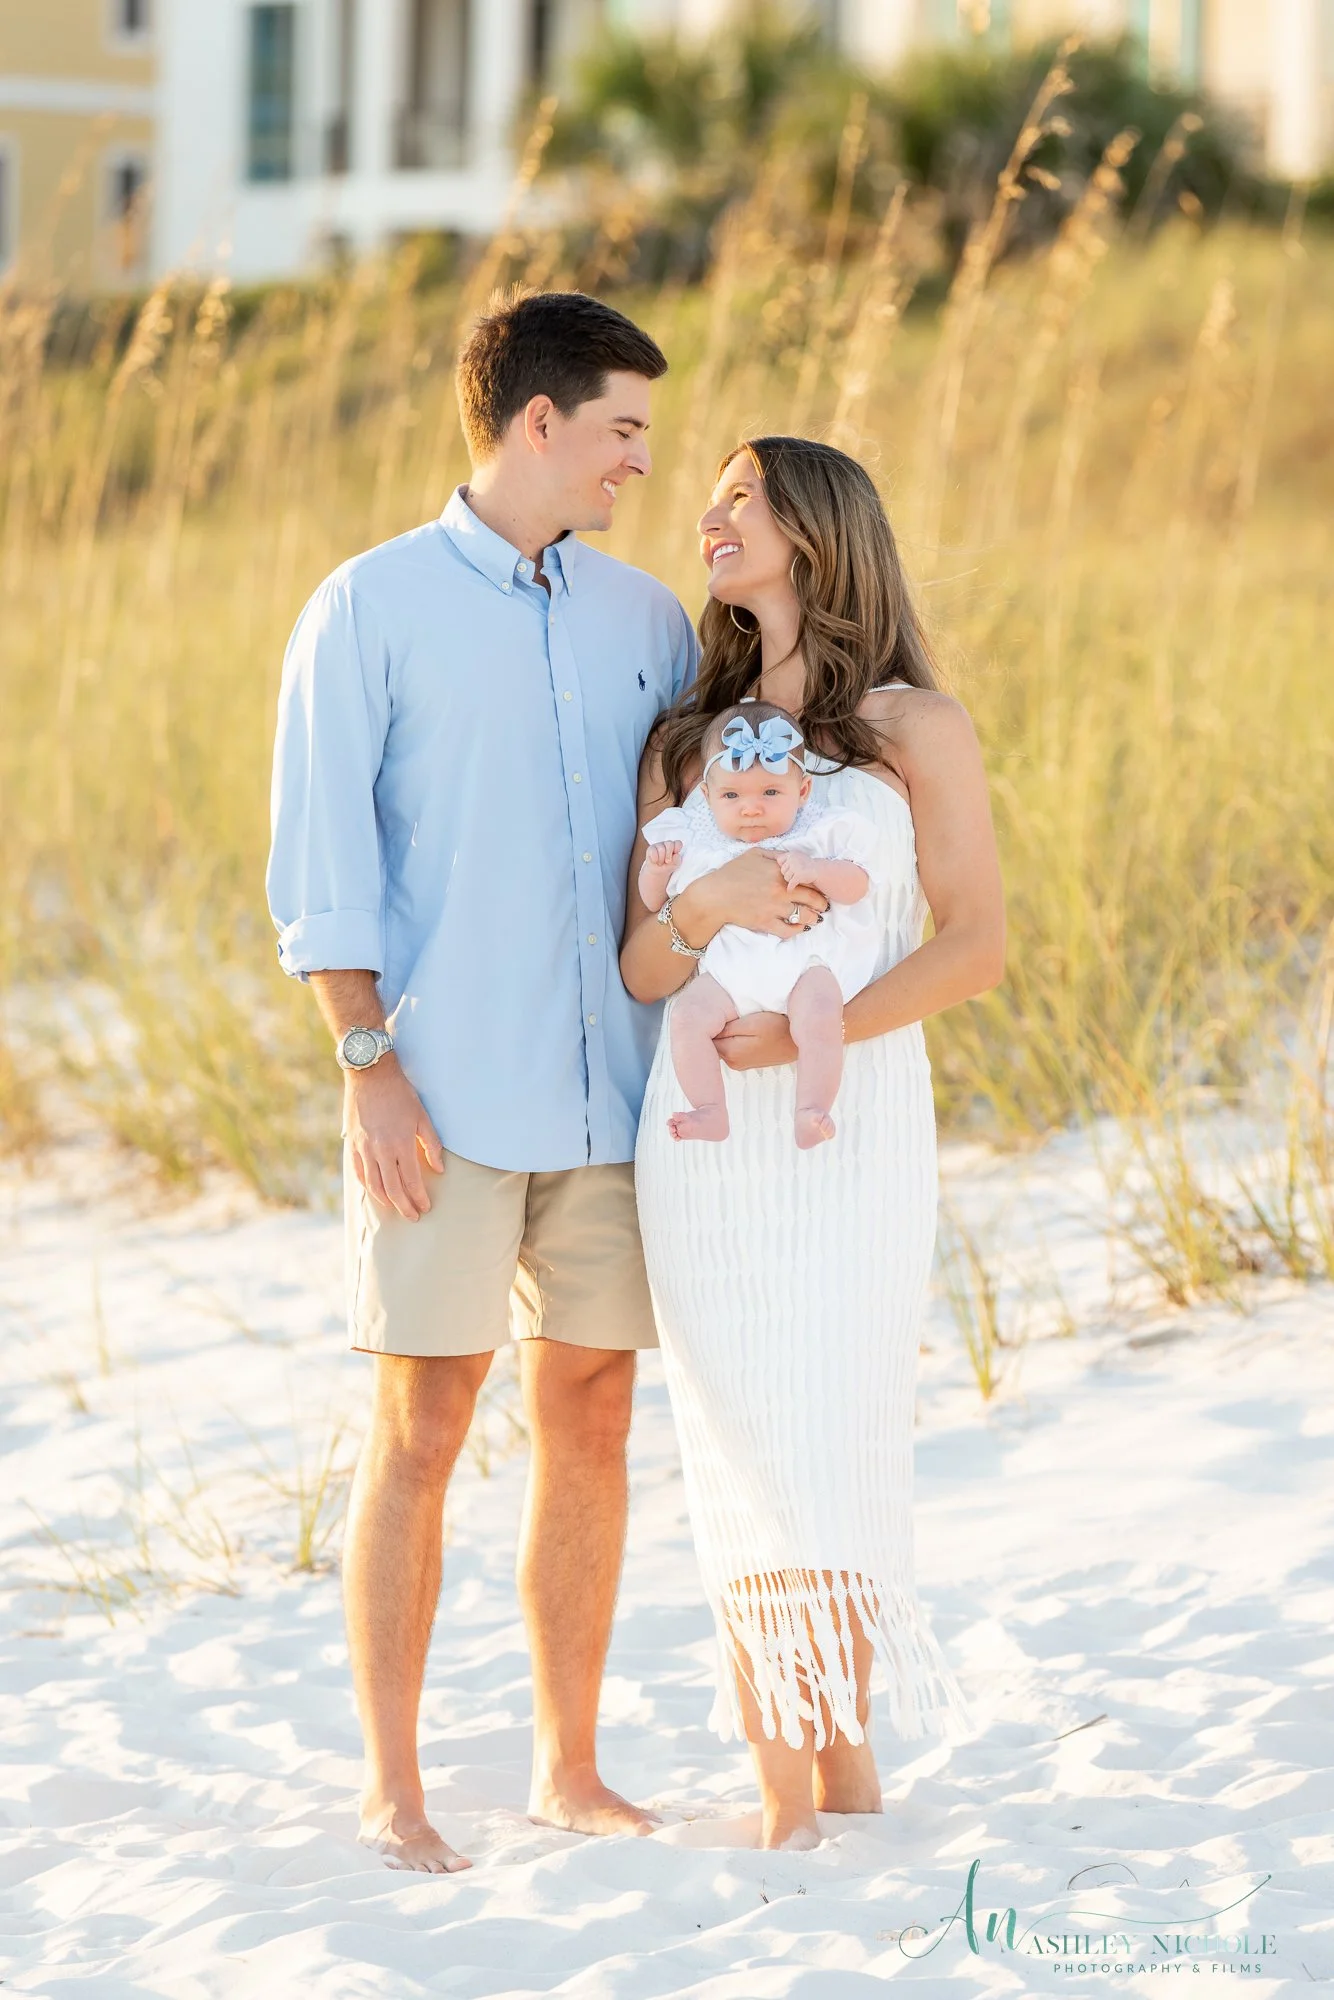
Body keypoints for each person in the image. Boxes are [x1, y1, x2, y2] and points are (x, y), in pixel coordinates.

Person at [266, 291, 699, 1874]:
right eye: (623, 431)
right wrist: (367, 1066)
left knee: (590, 1413)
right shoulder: (366, 609)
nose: (640, 463)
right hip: (435, 1098)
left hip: (612, 1100)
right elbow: (321, 870)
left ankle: (566, 1767)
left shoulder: (644, 621)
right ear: (537, 423)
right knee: (422, 1425)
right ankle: (392, 1787)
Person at [622, 435, 1006, 1851]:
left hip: (850, 1131)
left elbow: (974, 946)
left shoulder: (913, 728)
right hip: (703, 1144)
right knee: (740, 1448)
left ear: (814, 526)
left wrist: (806, 1033)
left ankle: (836, 1777)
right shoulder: (682, 740)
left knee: (830, 1436)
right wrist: (707, 907)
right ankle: (797, 1792)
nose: (705, 518)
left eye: (734, 496)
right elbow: (642, 972)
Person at [637, 702, 887, 1147]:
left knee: (820, 1017)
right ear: (709, 795)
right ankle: (710, 1108)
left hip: (806, 964)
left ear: (803, 790)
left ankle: (812, 1106)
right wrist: (657, 870)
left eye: (770, 793)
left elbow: (857, 885)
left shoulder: (819, 833)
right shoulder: (695, 840)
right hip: (731, 976)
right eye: (732, 796)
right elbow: (655, 903)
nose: (751, 809)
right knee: (688, 1018)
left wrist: (815, 869)